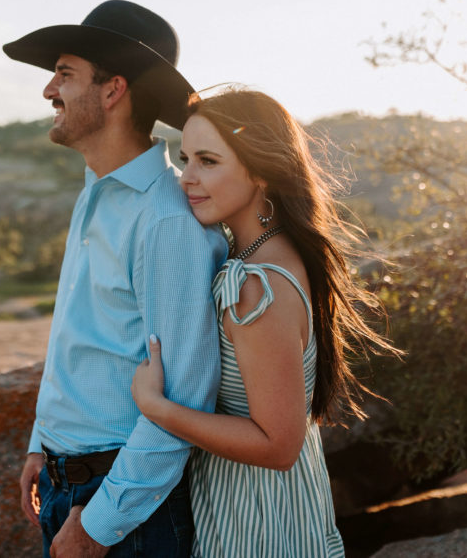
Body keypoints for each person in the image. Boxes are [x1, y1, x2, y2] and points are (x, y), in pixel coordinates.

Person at [130, 87, 401, 557]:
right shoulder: (272, 257)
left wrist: (158, 408)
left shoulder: (256, 286)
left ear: (260, 170)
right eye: (185, 158)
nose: (186, 178)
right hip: (281, 514)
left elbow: (278, 445)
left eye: (208, 161)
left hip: (256, 527)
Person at [3, 0, 228, 557]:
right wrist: (44, 444)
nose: (48, 90)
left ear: (112, 91)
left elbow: (183, 397)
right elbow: (79, 336)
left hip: (123, 507)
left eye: (65, 74)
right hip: (68, 482)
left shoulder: (166, 222)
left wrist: (98, 526)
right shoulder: (96, 193)